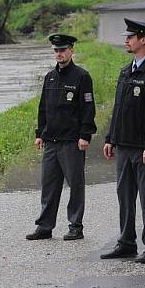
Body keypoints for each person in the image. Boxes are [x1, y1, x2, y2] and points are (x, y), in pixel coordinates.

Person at [101, 18, 145, 263]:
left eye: (130, 37)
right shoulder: (126, 71)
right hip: (123, 146)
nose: (126, 41)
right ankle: (126, 242)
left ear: (143, 39)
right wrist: (110, 138)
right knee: (125, 197)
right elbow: (119, 109)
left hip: (143, 150)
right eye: (126, 37)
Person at [26, 34, 96, 241]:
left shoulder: (82, 77)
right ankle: (45, 227)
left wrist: (85, 135)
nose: (59, 54)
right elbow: (43, 108)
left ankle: (75, 226)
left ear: (72, 50)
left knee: (75, 185)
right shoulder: (50, 77)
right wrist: (40, 133)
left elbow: (88, 109)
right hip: (51, 142)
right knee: (49, 186)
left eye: (63, 50)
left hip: (71, 143)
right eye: (56, 50)